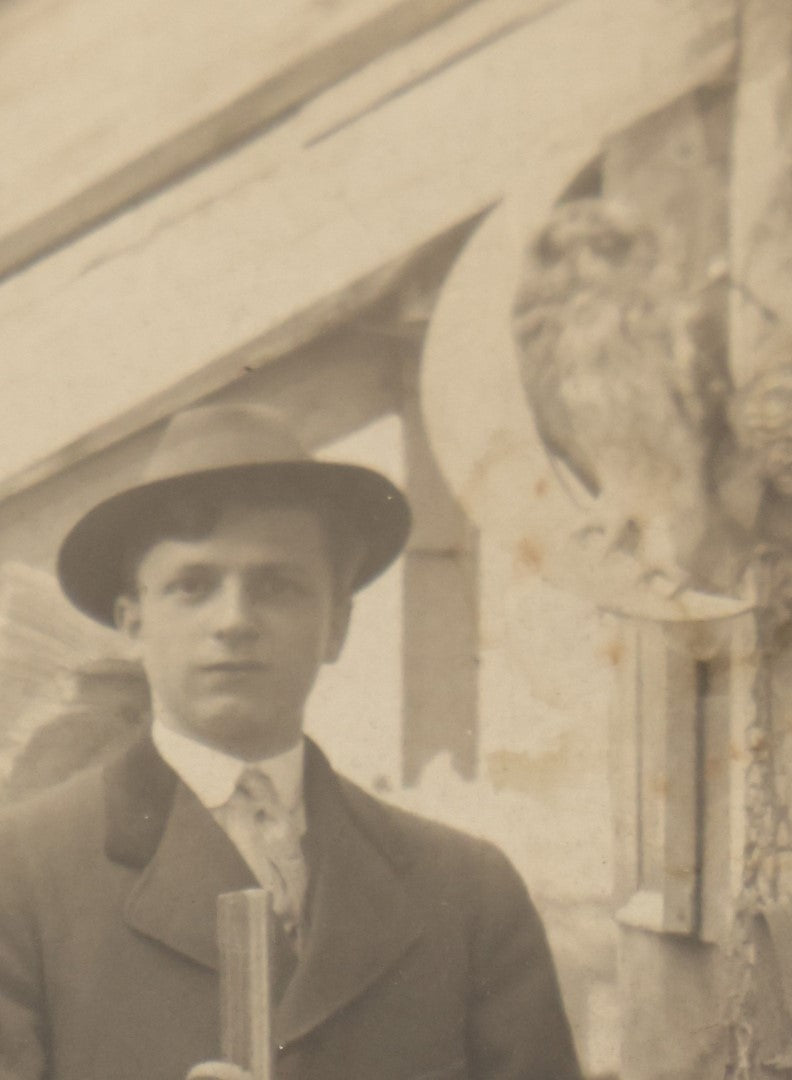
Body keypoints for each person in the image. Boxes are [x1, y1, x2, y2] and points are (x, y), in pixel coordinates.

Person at [0, 404, 580, 1080]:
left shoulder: (468, 892)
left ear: (335, 624)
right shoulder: (22, 875)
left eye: (276, 586)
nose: (234, 620)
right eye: (193, 586)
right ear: (133, 624)